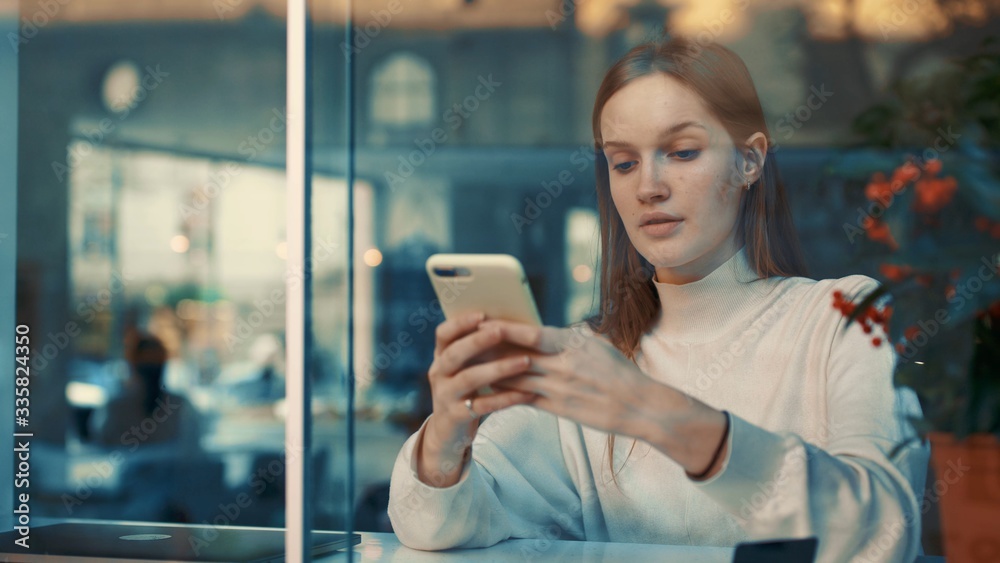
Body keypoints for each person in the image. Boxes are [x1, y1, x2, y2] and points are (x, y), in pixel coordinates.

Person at [387, 37, 929, 563]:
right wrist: (445, 437)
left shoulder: (845, 317)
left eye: (682, 152)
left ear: (749, 161)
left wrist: (660, 413)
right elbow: (435, 526)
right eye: (623, 163)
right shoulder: (592, 359)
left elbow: (884, 534)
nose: (648, 186)